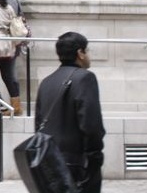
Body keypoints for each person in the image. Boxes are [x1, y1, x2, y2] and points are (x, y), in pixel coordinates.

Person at [35, 31, 106, 193]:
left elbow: (38, 125)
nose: (88, 55)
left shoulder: (46, 82)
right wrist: (95, 158)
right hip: (78, 166)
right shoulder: (85, 78)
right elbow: (91, 125)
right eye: (87, 51)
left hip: (49, 165)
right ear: (80, 53)